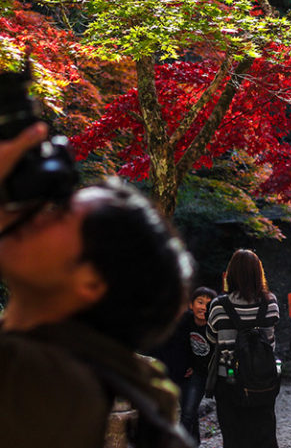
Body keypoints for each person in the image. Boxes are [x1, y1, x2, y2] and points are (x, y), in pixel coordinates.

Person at [0, 169, 192, 448]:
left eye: (61, 214)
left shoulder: (39, 384)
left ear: (91, 282)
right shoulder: (76, 374)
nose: (38, 213)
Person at [207, 249, 281, 448]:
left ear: (231, 274)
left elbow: (211, 338)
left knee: (233, 439)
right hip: (263, 379)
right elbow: (271, 338)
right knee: (265, 436)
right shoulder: (270, 302)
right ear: (259, 273)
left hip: (229, 379)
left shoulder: (218, 306)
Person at [151, 285, 217, 444]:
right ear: (191, 305)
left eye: (209, 303)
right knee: (188, 411)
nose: (203, 307)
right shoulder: (185, 321)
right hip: (196, 374)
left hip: (214, 373)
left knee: (191, 411)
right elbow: (177, 345)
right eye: (200, 302)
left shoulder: (216, 325)